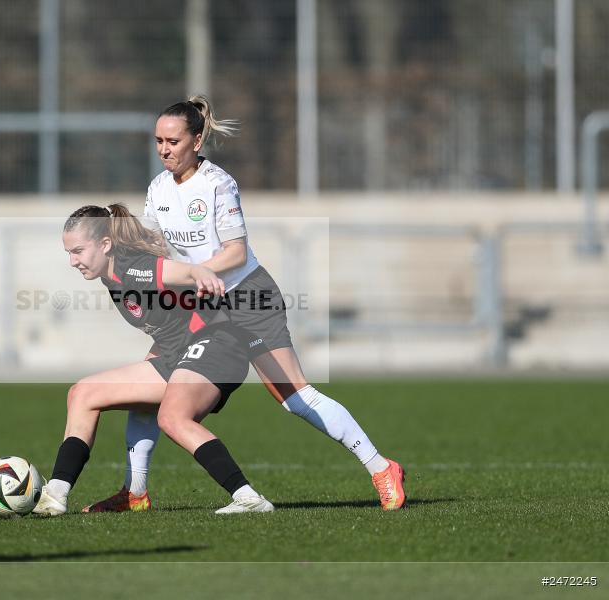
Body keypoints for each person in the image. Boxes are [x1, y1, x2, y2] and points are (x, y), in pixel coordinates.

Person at [85, 96, 406, 513]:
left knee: (294, 397)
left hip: (249, 299)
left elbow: (236, 252)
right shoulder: (158, 189)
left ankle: (382, 467)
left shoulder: (218, 184)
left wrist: (202, 273)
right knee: (152, 387)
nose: (164, 150)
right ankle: (135, 492)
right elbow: (161, 250)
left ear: (197, 140)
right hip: (197, 306)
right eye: (158, 141)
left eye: (173, 141)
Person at [32, 204, 274, 516]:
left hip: (218, 344)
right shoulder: (111, 275)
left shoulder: (133, 268)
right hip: (179, 352)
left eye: (78, 251)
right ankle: (60, 494)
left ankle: (249, 498)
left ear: (105, 245)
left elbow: (176, 271)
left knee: (173, 418)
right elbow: (171, 326)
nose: (72, 261)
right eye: (69, 252)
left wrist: (198, 271)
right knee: (83, 393)